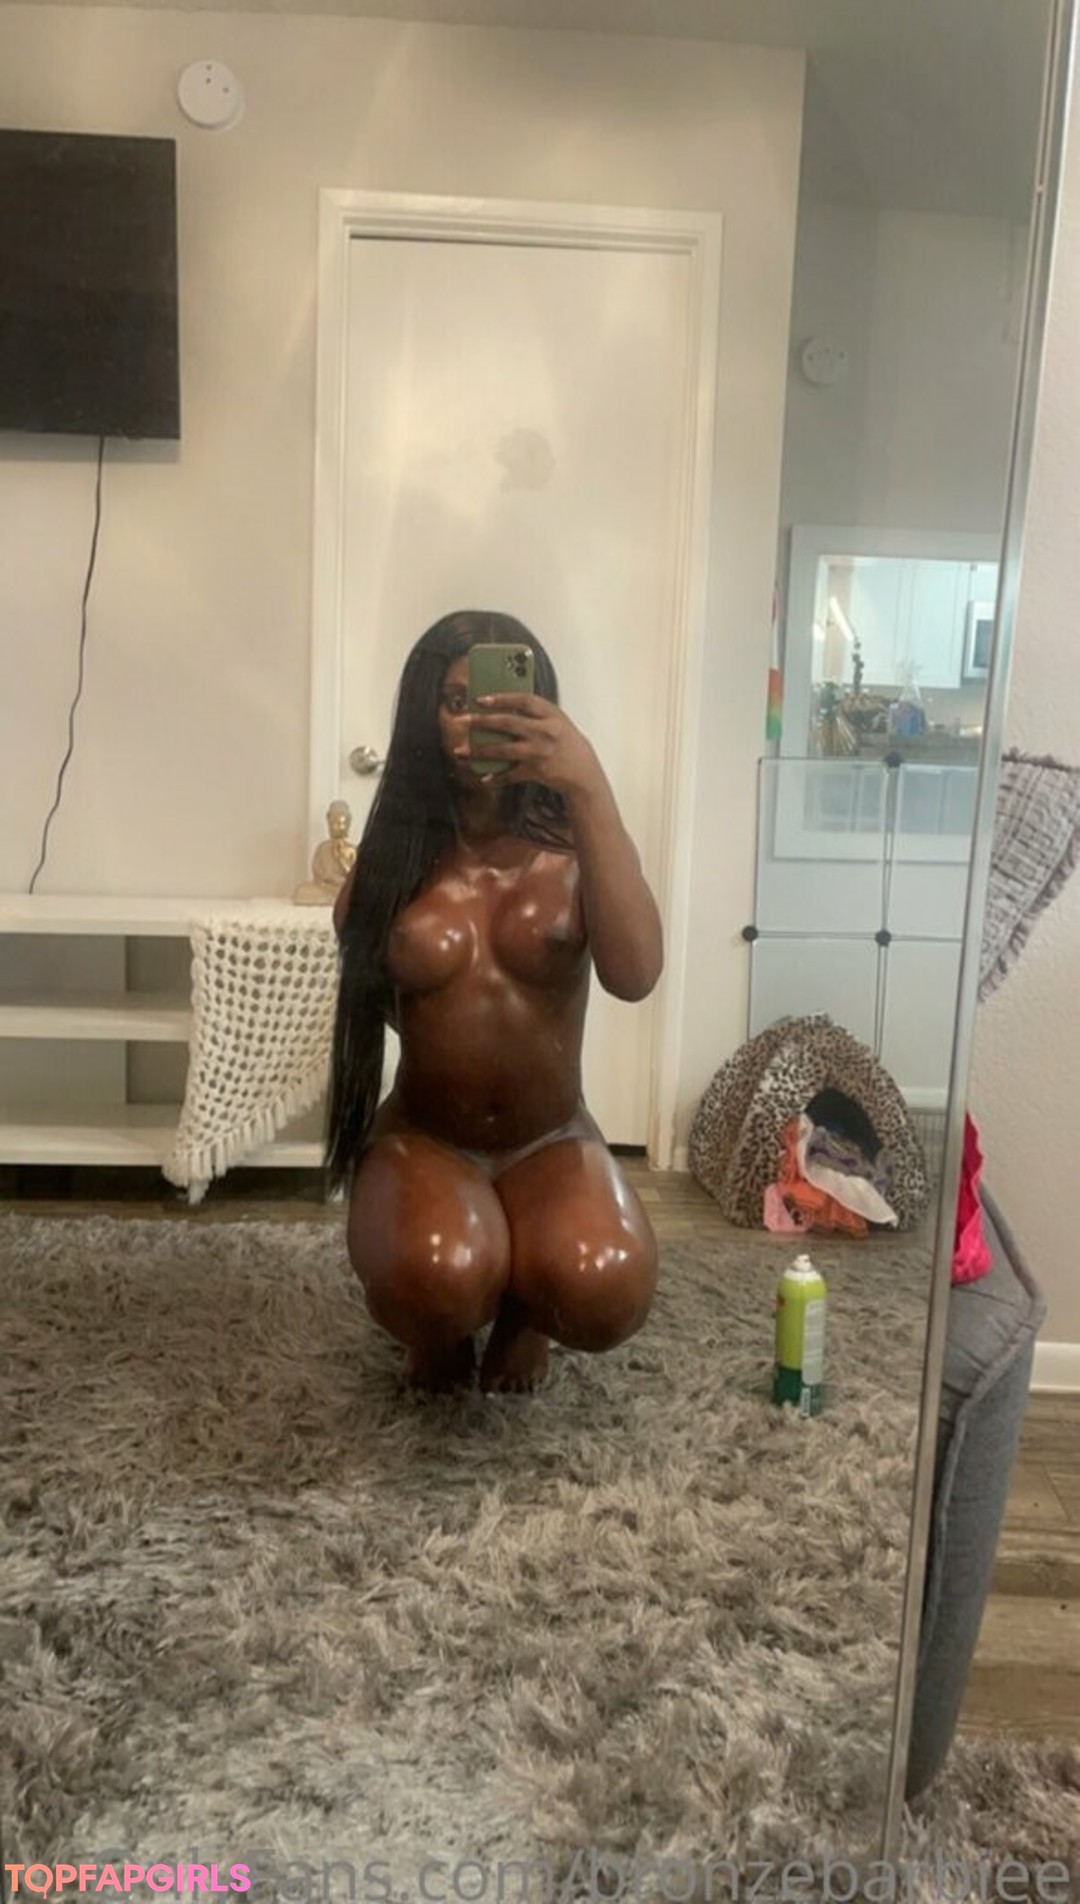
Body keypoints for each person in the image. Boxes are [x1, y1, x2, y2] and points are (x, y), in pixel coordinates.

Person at [327, 610, 662, 1394]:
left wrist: (587, 782)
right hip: (426, 1138)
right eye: (454, 702)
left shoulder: (578, 847)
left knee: (604, 1281)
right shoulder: (396, 858)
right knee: (436, 1274)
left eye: (501, 699)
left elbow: (636, 974)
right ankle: (446, 1323)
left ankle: (525, 1315)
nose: (477, 721)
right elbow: (367, 984)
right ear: (422, 715)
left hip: (550, 1137)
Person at [294, 800, 357, 905]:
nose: (338, 828)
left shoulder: (352, 849)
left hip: (342, 888)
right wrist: (326, 878)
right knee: (301, 891)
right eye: (334, 823)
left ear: (348, 825)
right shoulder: (323, 847)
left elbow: (353, 875)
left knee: (354, 893)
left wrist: (342, 860)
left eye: (342, 824)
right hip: (324, 888)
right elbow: (317, 872)